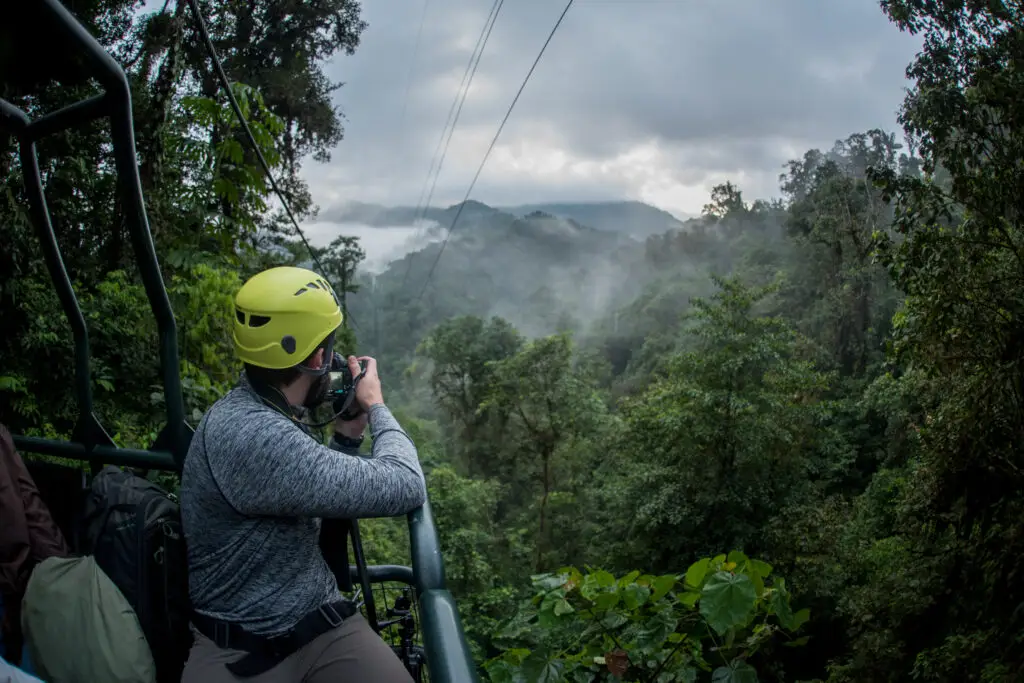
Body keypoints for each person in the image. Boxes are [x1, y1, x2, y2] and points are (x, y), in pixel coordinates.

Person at [179, 266, 425, 682]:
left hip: (317, 623)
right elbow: (405, 482)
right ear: (316, 358)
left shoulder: (258, 409)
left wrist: (347, 436)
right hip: (238, 651)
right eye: (328, 350)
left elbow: (304, 481)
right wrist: (376, 404)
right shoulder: (257, 435)